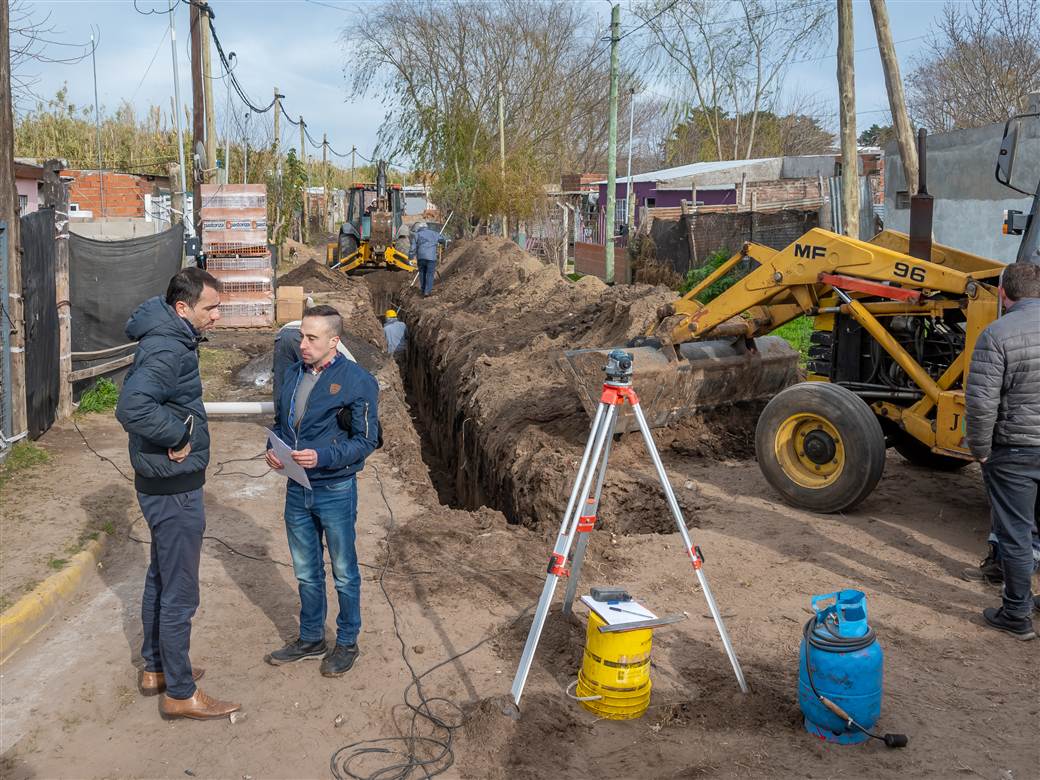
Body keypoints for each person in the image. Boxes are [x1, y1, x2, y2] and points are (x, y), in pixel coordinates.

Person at [115, 268, 241, 719]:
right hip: (174, 488)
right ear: (182, 308)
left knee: (161, 577)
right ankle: (181, 692)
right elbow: (132, 406)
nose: (218, 316)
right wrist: (175, 436)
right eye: (211, 308)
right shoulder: (169, 347)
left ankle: (157, 669)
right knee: (180, 592)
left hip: (160, 485)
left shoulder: (166, 336)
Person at [265, 305, 380, 676]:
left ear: (335, 341)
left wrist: (324, 456)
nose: (303, 344)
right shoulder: (295, 375)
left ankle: (347, 642)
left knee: (344, 571)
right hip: (298, 490)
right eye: (301, 336)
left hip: (334, 489)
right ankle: (311, 637)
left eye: (312, 338)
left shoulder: (357, 380)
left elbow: (367, 440)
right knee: (306, 571)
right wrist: (275, 449)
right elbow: (283, 423)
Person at [965, 261, 1040, 640]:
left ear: (1001, 293)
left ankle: (1016, 614)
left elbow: (981, 402)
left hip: (1015, 450)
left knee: (1015, 533)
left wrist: (979, 448)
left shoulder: (997, 334)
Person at [409, 221, 447, 296]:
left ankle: (423, 290)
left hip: (421, 258)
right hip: (431, 258)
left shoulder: (417, 235)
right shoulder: (433, 233)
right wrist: (441, 243)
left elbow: (412, 248)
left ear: (419, 228)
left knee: (422, 273)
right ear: (426, 227)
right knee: (430, 274)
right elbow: (443, 239)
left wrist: (410, 257)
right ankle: (427, 291)